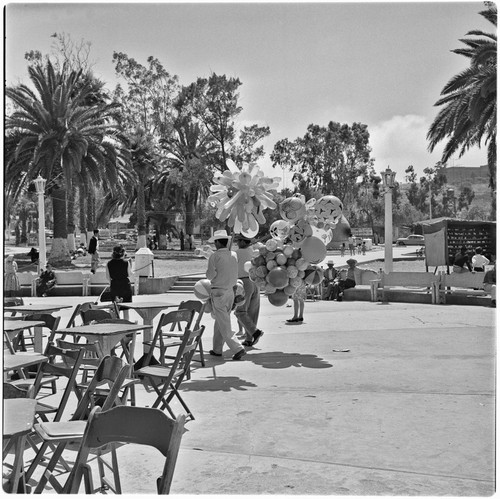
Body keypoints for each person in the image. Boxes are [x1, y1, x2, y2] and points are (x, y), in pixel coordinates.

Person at [206, 230, 246, 360]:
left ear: (217, 242)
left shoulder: (214, 256)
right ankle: (217, 349)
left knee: (224, 323)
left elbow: (210, 275)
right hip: (230, 291)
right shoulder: (233, 254)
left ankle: (237, 348)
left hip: (218, 291)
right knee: (220, 320)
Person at [233, 234, 264, 347]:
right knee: (253, 312)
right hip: (256, 282)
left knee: (240, 311)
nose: (237, 243)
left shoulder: (237, 253)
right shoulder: (254, 251)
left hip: (244, 282)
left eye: (238, 241)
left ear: (242, 242)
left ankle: (255, 332)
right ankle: (249, 338)